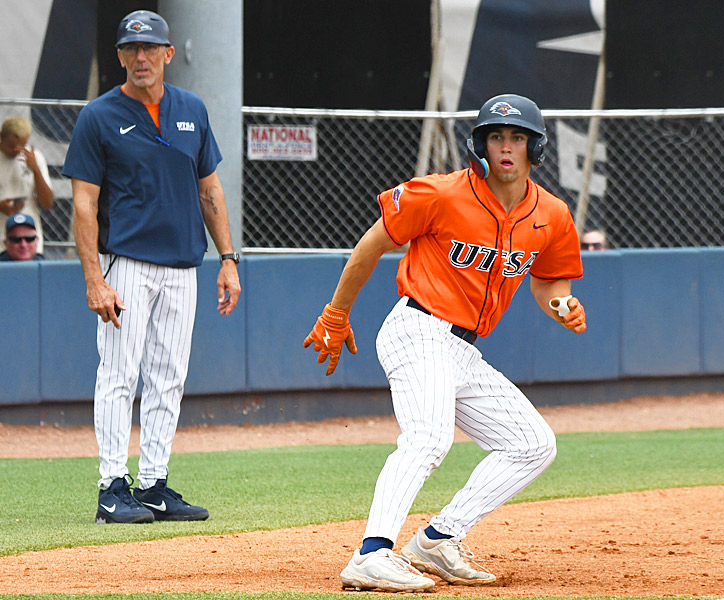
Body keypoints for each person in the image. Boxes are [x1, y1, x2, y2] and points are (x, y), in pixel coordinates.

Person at [304, 93, 587, 592]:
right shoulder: (440, 193)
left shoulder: (551, 214)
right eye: (496, 137)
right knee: (428, 438)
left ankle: (437, 538)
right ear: (480, 144)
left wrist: (561, 305)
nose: (505, 147)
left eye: (516, 137)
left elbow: (548, 282)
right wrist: (336, 311)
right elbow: (371, 245)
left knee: (532, 444)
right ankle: (371, 554)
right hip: (417, 328)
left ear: (533, 147)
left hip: (461, 348)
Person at [62, 9, 241, 524]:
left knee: (167, 377)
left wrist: (228, 259)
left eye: (150, 49)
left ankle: (154, 484)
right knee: (119, 374)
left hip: (184, 265)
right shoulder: (98, 115)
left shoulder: (191, 109)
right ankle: (111, 487)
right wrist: (95, 280)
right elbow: (82, 205)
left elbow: (210, 189)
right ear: (119, 56)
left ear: (168, 54)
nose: (140, 58)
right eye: (130, 49)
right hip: (127, 265)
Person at [0, 116, 54, 256]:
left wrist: (35, 169)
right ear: (1, 137)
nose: (17, 150)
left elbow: (47, 203)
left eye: (21, 145)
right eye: (12, 146)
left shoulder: (35, 158)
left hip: (29, 245)